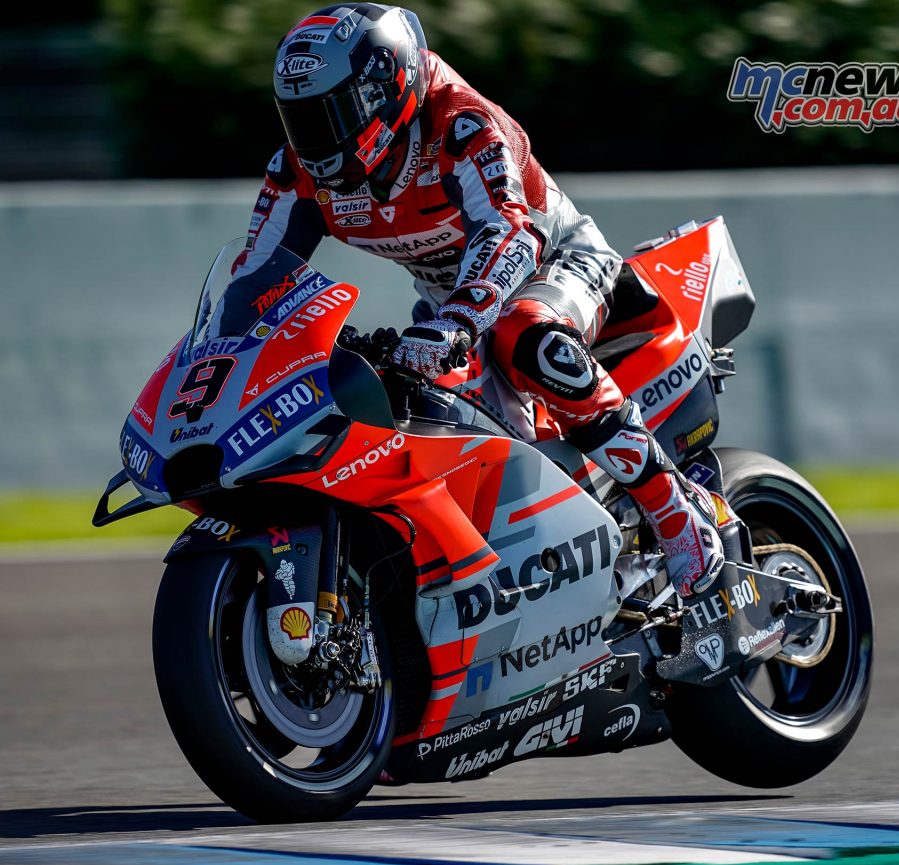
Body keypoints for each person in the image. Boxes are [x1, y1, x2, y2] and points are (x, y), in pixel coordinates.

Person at [239, 2, 729, 597]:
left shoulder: (460, 123)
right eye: (301, 120)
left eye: (331, 114)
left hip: (555, 264)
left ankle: (676, 512)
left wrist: (458, 321)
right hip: (452, 310)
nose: (315, 140)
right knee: (420, 427)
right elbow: (254, 277)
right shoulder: (298, 173)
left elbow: (511, 235)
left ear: (384, 90)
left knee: (524, 334)